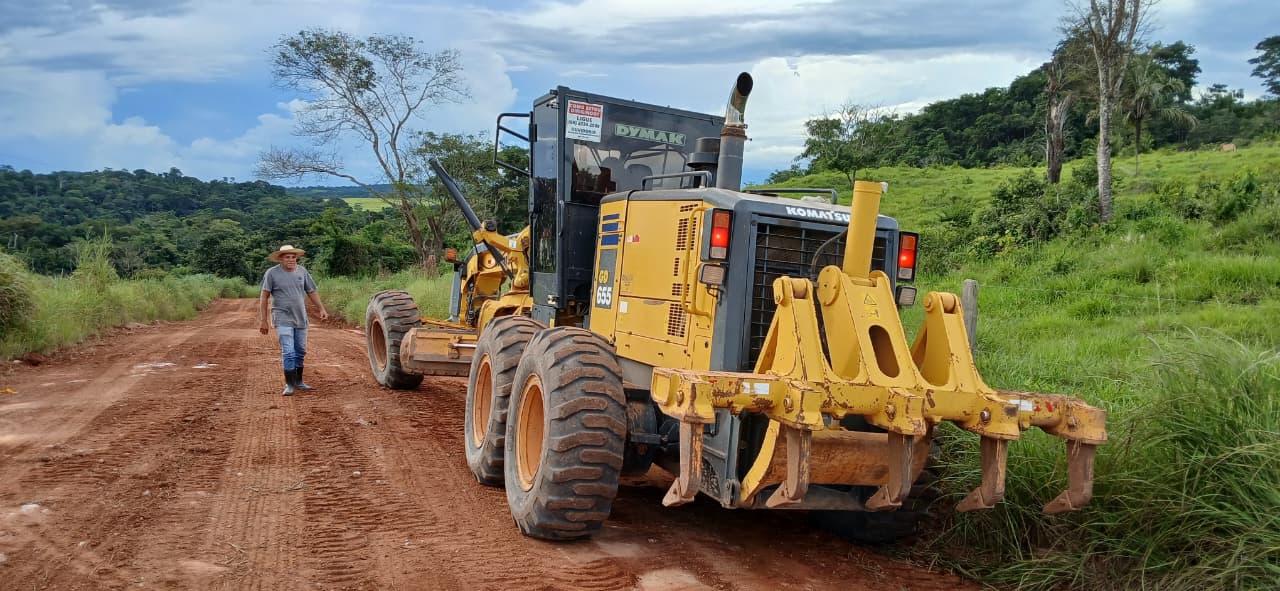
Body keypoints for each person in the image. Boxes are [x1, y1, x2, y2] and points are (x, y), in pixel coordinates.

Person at [259, 245, 328, 396]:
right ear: (280, 259)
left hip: (300, 317)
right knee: (288, 352)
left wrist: (321, 308)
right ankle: (289, 384)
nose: (291, 260)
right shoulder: (272, 273)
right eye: (287, 257)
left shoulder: (302, 271)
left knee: (300, 350)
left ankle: (298, 381)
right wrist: (263, 320)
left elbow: (311, 291)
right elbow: (264, 296)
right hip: (282, 316)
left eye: (293, 257)